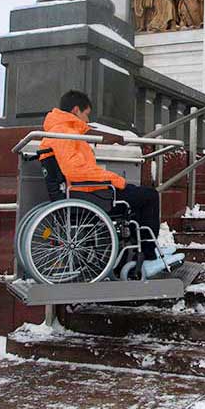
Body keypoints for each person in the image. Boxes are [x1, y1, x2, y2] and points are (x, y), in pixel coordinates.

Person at [39, 91, 166, 274]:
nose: (87, 118)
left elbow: (81, 149)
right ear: (76, 110)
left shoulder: (59, 130)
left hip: (86, 190)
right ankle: (147, 255)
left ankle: (133, 255)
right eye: (86, 114)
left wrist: (114, 140)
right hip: (90, 193)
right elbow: (75, 170)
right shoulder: (66, 133)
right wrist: (114, 179)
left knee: (136, 197)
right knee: (149, 196)